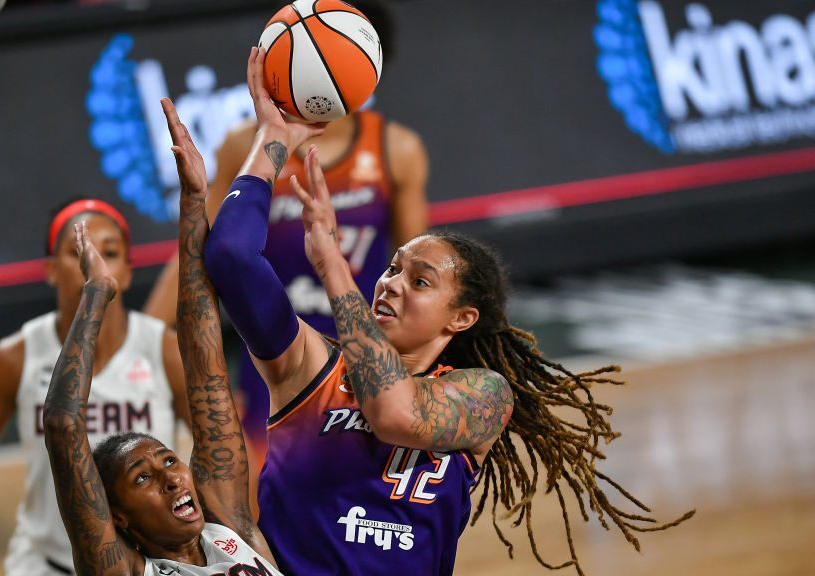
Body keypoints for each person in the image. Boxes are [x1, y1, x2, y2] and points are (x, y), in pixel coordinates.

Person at [201, 47, 694, 575]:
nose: (391, 285)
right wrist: (274, 142)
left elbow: (394, 413)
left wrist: (333, 266)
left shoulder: (482, 395)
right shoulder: (307, 368)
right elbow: (230, 256)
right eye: (391, 270)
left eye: (419, 281)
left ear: (461, 318)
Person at [143, 0, 428, 449]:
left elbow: (419, 279)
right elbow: (197, 250)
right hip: (273, 358)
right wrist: (142, 336)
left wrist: (421, 375)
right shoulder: (247, 145)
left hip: (365, 357)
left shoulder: (397, 150)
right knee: (261, 511)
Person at [37, 97, 281, 576]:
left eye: (169, 462)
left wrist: (194, 203)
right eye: (143, 477)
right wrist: (97, 295)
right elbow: (64, 428)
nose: (171, 479)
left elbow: (204, 359)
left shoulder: (232, 529)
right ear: (119, 518)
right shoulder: (127, 570)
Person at [0, 199, 190, 576]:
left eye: (110, 252)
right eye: (79, 252)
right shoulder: (15, 357)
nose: (95, 264)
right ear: (51, 270)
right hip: (45, 564)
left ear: (128, 271)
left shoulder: (164, 351)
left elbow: (223, 451)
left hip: (147, 566)